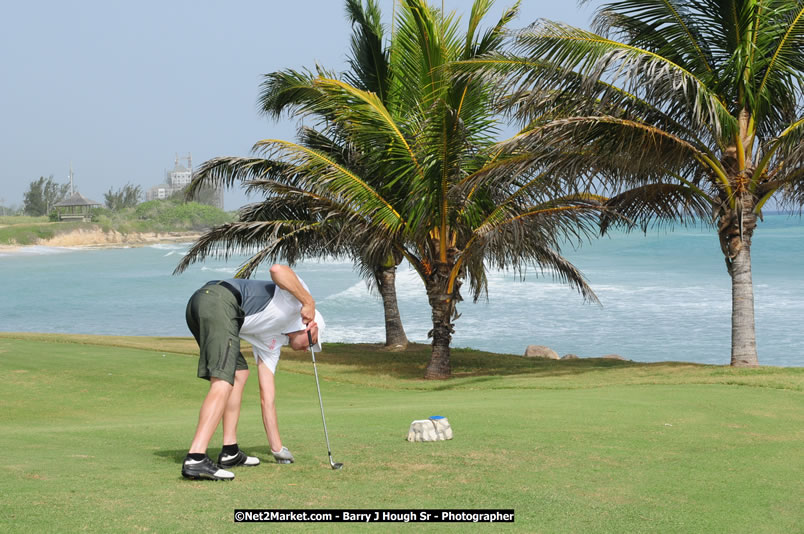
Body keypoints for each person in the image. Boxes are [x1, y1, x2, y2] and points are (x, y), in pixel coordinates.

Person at [181, 264, 324, 481]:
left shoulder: (273, 343)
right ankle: (196, 458)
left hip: (204, 304)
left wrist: (277, 449)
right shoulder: (297, 301)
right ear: (311, 327)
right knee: (223, 380)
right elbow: (277, 270)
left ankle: (230, 452)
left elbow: (268, 399)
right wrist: (308, 301)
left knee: (239, 373)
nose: (308, 349)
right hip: (218, 300)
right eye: (312, 343)